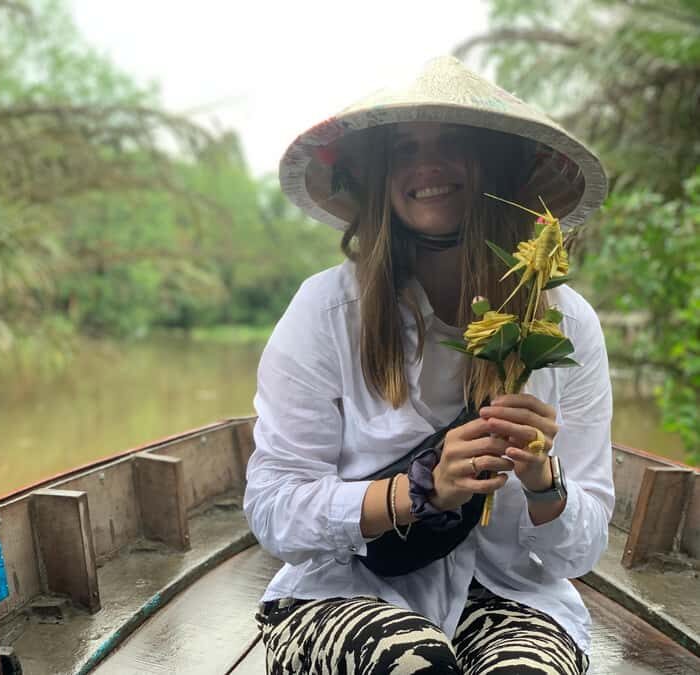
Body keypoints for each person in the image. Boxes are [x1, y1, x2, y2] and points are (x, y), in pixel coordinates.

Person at [243, 56, 614, 674]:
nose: (428, 166)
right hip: (347, 589)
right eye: (406, 148)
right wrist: (419, 491)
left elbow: (582, 549)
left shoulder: (567, 325)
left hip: (510, 595)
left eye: (453, 145)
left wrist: (544, 480)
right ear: (380, 178)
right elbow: (274, 509)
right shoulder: (327, 311)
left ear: (497, 168)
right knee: (415, 665)